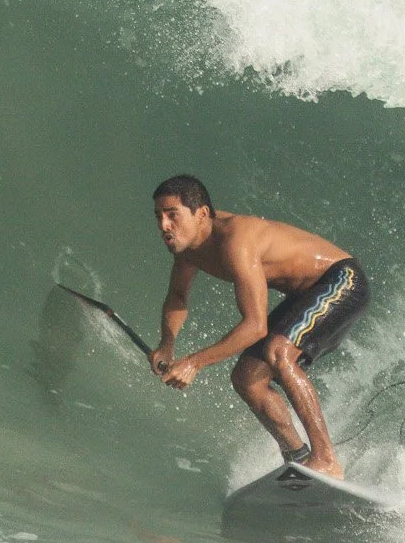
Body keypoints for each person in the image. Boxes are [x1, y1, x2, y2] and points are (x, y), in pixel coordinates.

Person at [147, 174, 369, 478]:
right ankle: (299, 458)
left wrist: (193, 363)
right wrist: (167, 344)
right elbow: (177, 296)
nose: (164, 226)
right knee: (246, 378)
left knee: (279, 352)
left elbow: (255, 327)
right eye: (159, 216)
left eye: (172, 215)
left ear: (201, 214)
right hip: (305, 294)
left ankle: (326, 459)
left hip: (342, 280)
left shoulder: (236, 239)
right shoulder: (188, 251)